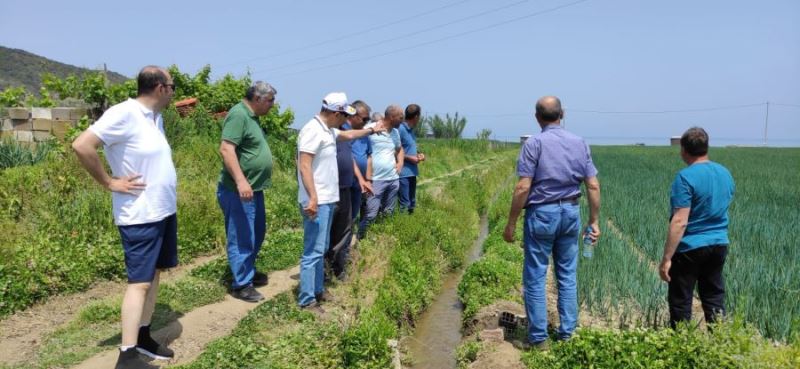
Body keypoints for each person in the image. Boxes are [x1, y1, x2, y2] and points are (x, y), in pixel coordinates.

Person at [72, 66, 177, 369]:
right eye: (172, 86)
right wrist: (109, 182)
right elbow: (81, 145)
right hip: (140, 215)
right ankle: (127, 355)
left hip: (162, 211)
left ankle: (142, 335)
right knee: (139, 283)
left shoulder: (155, 118)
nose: (173, 91)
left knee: (155, 274)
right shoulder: (124, 114)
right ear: (160, 88)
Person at [502, 96, 601, 350]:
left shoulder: (534, 144)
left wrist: (511, 222)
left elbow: (524, 186)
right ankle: (567, 335)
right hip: (570, 211)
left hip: (541, 214)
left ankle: (538, 340)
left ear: (537, 117)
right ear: (562, 114)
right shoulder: (580, 143)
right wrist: (593, 221)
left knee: (535, 277)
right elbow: (592, 184)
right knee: (567, 275)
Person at [296, 92, 383, 312]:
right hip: (317, 201)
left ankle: (318, 291)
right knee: (312, 251)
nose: (346, 121)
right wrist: (313, 198)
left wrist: (372, 129)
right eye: (344, 116)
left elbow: (350, 135)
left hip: (327, 199)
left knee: (321, 247)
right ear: (335, 113)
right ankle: (307, 300)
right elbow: (304, 165)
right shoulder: (312, 131)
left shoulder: (328, 130)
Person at [658, 127, 735, 329]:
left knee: (681, 300)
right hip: (719, 243)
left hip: (690, 247)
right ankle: (720, 345)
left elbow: (680, 221)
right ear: (706, 147)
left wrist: (666, 258)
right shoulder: (725, 173)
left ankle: (682, 346)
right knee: (714, 297)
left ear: (684, 150)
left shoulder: (685, 177)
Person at [217, 81, 278, 303]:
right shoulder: (238, 115)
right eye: (270, 100)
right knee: (242, 235)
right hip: (238, 190)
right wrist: (242, 181)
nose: (273, 105)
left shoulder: (252, 117)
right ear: (258, 98)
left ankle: (247, 271)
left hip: (254, 189)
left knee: (257, 232)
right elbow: (226, 148)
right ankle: (241, 284)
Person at [326, 100, 373, 280]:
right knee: (334, 229)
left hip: (352, 187)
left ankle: (339, 265)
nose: (366, 122)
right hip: (335, 188)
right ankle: (329, 268)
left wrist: (363, 179)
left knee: (347, 226)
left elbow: (356, 158)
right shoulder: (338, 130)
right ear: (353, 116)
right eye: (364, 119)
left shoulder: (355, 133)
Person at [357, 105, 405, 240]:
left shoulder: (395, 133)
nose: (402, 121)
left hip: (393, 178)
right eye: (400, 118)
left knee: (388, 212)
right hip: (375, 180)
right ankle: (360, 239)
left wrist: (400, 162)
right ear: (391, 117)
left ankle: (381, 239)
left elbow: (399, 149)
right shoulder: (371, 129)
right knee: (371, 214)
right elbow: (357, 148)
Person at [398, 104, 426, 214]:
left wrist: (419, 155)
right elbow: (393, 150)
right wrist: (410, 158)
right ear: (416, 117)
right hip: (403, 173)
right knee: (404, 204)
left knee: (411, 203)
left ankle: (410, 225)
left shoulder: (411, 131)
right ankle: (402, 228)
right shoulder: (400, 129)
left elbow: (409, 148)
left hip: (412, 172)